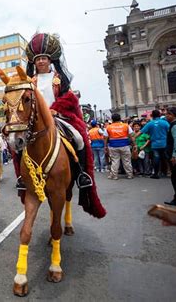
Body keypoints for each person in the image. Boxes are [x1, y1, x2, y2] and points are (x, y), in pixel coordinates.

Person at [22, 32, 105, 217]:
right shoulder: (30, 81)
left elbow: (69, 97)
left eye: (43, 58)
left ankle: (83, 175)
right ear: (33, 63)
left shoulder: (59, 78)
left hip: (59, 118)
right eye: (37, 59)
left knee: (79, 139)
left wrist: (56, 109)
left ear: (50, 60)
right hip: (36, 121)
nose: (41, 62)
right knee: (18, 142)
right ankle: (22, 177)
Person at [139, 109, 170, 179]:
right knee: (166, 158)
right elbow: (170, 131)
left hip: (155, 145)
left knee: (156, 159)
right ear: (160, 115)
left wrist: (133, 137)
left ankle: (156, 174)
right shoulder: (165, 122)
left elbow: (141, 132)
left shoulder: (150, 123)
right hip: (164, 143)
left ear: (152, 116)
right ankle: (168, 172)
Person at [105, 113, 134, 180]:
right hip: (125, 145)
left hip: (113, 146)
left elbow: (105, 137)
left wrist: (105, 146)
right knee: (127, 161)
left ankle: (114, 175)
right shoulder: (126, 126)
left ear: (112, 119)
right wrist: (134, 144)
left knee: (115, 161)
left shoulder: (108, 127)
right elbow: (131, 136)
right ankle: (129, 174)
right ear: (120, 118)